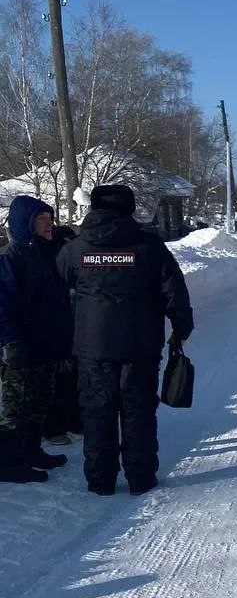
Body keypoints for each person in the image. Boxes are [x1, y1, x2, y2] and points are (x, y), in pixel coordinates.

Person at [57, 185, 193, 496]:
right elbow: (173, 288)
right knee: (138, 410)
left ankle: (100, 480)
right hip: (140, 346)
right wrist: (181, 325)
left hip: (93, 348)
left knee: (97, 412)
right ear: (129, 208)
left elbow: (58, 282)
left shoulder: (78, 248)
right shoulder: (149, 245)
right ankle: (140, 477)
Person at [0, 195, 75, 483]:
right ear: (26, 223)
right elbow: (3, 304)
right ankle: (7, 461)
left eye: (50, 219)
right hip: (21, 346)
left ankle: (31, 451)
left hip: (47, 344)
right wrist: (11, 341)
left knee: (39, 402)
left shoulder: (47, 253)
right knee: (15, 408)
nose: (49, 225)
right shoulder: (11, 257)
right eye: (42, 220)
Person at [43, 223, 82, 445]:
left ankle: (73, 420)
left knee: (72, 376)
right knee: (61, 379)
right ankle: (57, 425)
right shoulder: (50, 262)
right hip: (57, 330)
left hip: (72, 328)